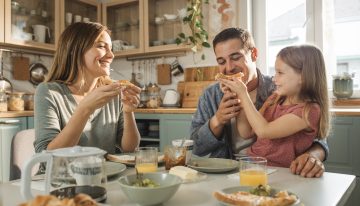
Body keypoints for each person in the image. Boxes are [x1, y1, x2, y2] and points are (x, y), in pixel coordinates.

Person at [190, 27, 328, 177]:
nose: (228, 68)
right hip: (226, 171)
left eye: (236, 57)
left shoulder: (279, 89)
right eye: (222, 61)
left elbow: (318, 138)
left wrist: (313, 156)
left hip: (277, 171)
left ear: (254, 54)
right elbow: (197, 148)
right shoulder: (211, 95)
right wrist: (217, 121)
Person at [34, 22, 141, 154]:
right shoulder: (49, 92)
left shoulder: (113, 91)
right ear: (74, 50)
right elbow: (46, 156)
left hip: (103, 173)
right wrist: (85, 109)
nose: (111, 55)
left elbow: (130, 149)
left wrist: (128, 112)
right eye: (102, 46)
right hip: (61, 174)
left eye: (111, 49)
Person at [220, 45, 330, 168]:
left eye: (280, 73)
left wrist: (243, 93)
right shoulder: (275, 99)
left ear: (303, 77)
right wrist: (237, 97)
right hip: (252, 164)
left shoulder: (308, 111)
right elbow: (246, 132)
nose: (274, 78)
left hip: (281, 172)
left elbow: (263, 131)